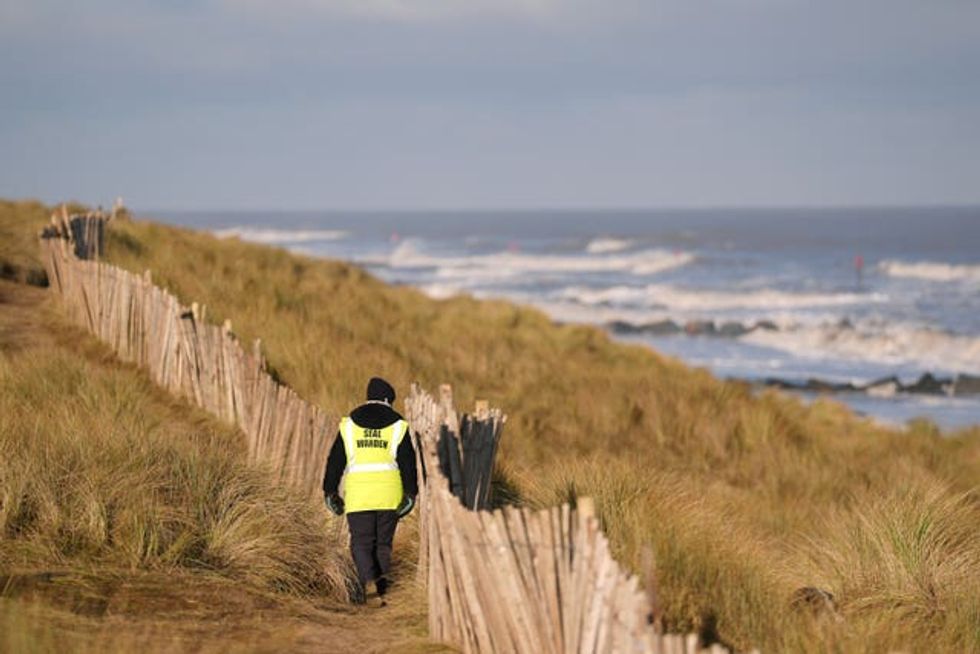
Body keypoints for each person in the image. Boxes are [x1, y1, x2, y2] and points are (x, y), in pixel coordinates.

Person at [322, 377, 418, 605]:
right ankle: (382, 590)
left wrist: (330, 491)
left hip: (359, 495)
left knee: (361, 543)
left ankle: (369, 582)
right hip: (389, 495)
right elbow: (408, 463)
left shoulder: (349, 424)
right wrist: (410, 494)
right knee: (383, 545)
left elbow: (335, 460)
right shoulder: (398, 425)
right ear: (388, 400)